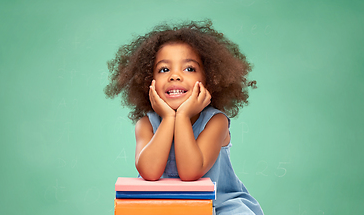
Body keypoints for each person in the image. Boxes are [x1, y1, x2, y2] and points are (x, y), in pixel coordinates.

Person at [105, 20, 264, 215]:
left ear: (210, 78)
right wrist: (169, 118)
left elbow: (190, 173)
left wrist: (182, 116)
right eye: (164, 69)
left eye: (189, 68)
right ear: (149, 81)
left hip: (221, 205)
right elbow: (149, 172)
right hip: (162, 207)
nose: (175, 76)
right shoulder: (146, 124)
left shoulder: (216, 122)